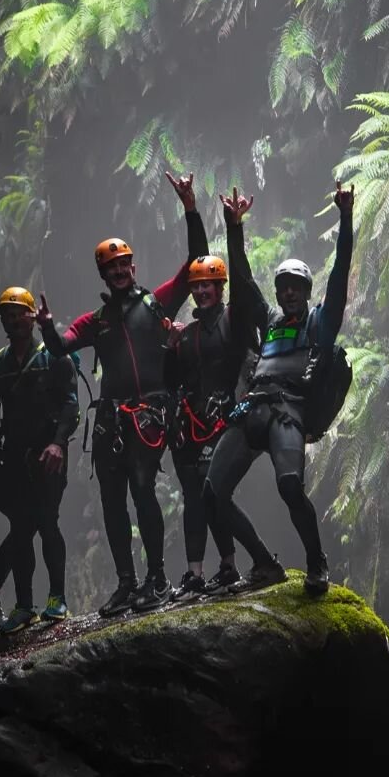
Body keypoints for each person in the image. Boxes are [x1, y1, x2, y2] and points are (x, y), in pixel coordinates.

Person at [35, 172, 208, 616]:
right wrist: (46, 327)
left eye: (124, 264)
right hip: (112, 417)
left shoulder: (156, 303)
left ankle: (157, 579)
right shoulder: (95, 321)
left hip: (150, 413)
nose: (119, 270)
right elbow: (62, 348)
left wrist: (190, 208)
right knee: (112, 500)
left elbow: (196, 261)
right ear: (104, 274)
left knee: (143, 487)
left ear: (132, 267)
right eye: (111, 267)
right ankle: (128, 584)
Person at [203, 182, 354, 596]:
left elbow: (339, 274)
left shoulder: (319, 323)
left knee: (289, 487)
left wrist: (345, 218)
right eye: (283, 286)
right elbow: (243, 281)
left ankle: (315, 562)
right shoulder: (268, 320)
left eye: (296, 287)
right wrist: (234, 228)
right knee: (212, 493)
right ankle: (265, 564)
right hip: (254, 407)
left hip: (289, 410)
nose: (289, 292)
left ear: (306, 292)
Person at [166, 249, 284, 597]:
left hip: (234, 419)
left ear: (220, 287)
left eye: (209, 285)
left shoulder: (236, 320)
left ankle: (253, 561)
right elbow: (174, 378)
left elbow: (245, 285)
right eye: (197, 286)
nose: (202, 292)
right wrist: (169, 347)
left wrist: (234, 228)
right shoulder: (189, 334)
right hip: (197, 424)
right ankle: (230, 566)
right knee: (205, 494)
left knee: (214, 493)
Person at [0, 284, 80, 635]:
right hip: (14, 459)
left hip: (48, 457)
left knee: (47, 523)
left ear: (32, 317)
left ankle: (57, 599)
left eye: (19, 313)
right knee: (19, 529)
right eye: (7, 315)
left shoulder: (54, 357)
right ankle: (24, 605)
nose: (13, 320)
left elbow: (71, 405)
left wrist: (59, 444)